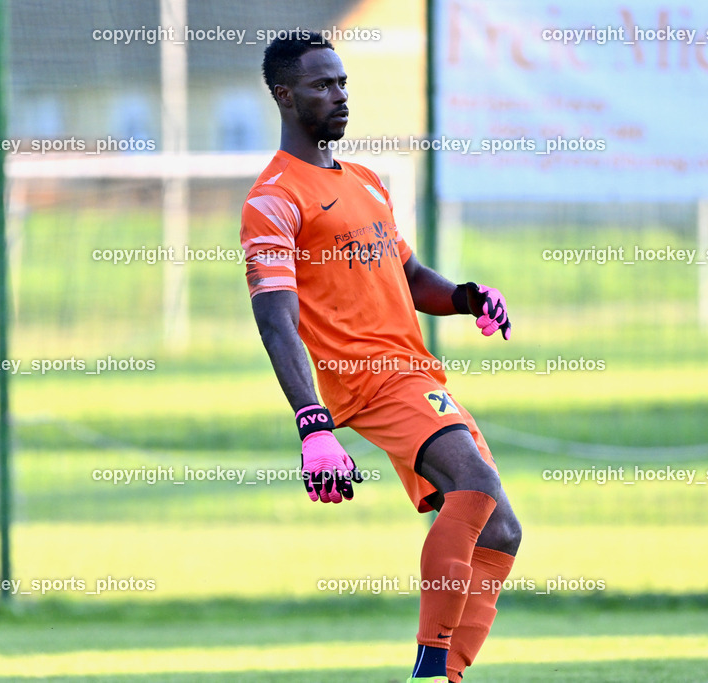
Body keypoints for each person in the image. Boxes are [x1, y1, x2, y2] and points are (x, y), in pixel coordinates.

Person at [240, 32, 522, 683]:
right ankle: (428, 673)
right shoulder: (273, 200)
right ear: (284, 95)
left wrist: (466, 296)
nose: (339, 96)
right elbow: (275, 318)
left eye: (342, 82)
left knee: (500, 530)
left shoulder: (363, 180)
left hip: (415, 372)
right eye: (321, 85)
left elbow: (409, 273)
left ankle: (446, 674)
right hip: (370, 379)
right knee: (475, 485)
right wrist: (311, 425)